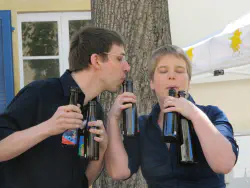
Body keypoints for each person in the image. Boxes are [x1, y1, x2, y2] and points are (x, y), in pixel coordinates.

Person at [0, 26, 130, 188]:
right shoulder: (39, 93)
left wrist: (100, 153)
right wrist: (49, 127)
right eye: (120, 58)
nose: (127, 67)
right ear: (96, 60)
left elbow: (82, 182)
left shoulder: (95, 111)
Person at [105, 45, 239, 188]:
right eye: (163, 71)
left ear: (189, 82)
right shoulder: (144, 125)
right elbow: (119, 172)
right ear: (152, 83)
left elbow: (225, 164)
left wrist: (194, 114)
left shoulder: (212, 115)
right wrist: (112, 119)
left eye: (180, 71)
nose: (171, 76)